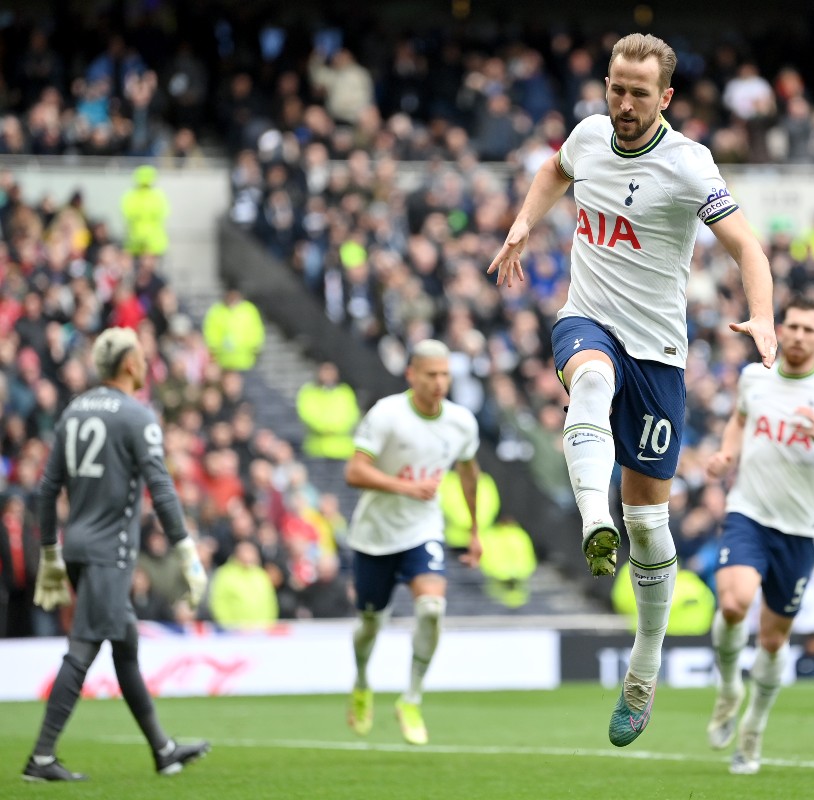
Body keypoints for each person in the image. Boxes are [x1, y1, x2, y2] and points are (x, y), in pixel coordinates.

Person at [488, 32, 777, 747]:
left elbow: (746, 244)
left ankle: (643, 670)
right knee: (588, 380)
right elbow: (556, 171)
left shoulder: (687, 164)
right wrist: (526, 222)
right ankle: (594, 518)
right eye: (616, 87)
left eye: (638, 92)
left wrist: (764, 315)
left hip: (659, 353)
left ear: (665, 98)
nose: (622, 103)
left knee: (651, 524)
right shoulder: (588, 136)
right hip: (589, 319)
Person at [23, 327, 210, 782]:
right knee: (83, 649)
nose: (147, 364)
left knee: (124, 646)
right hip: (111, 552)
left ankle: (163, 749)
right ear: (129, 364)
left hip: (79, 548)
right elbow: (161, 487)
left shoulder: (73, 411)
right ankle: (41, 758)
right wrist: (185, 547)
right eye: (142, 357)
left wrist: (50, 551)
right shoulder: (136, 415)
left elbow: (48, 489)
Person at [705, 296, 814, 775]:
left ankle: (754, 728)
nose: (799, 336)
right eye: (793, 326)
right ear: (781, 330)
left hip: (800, 532)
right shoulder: (754, 377)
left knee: (773, 640)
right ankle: (727, 689)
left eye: (810, 330)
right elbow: (740, 419)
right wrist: (726, 453)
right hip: (749, 513)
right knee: (735, 602)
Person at [343, 339, 482, 745]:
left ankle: (411, 698)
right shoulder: (387, 414)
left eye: (444, 374)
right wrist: (406, 488)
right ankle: (362, 682)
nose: (439, 382)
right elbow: (355, 471)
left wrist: (474, 531)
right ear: (412, 375)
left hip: (423, 530)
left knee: (432, 608)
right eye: (431, 374)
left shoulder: (461, 422)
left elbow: (469, 471)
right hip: (374, 535)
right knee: (370, 624)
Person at [296, 362, 361, 460]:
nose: (328, 375)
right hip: (316, 450)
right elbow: (307, 414)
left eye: (331, 371)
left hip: (342, 450)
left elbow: (351, 415)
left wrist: (335, 428)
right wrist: (325, 427)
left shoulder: (345, 392)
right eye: (325, 371)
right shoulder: (309, 392)